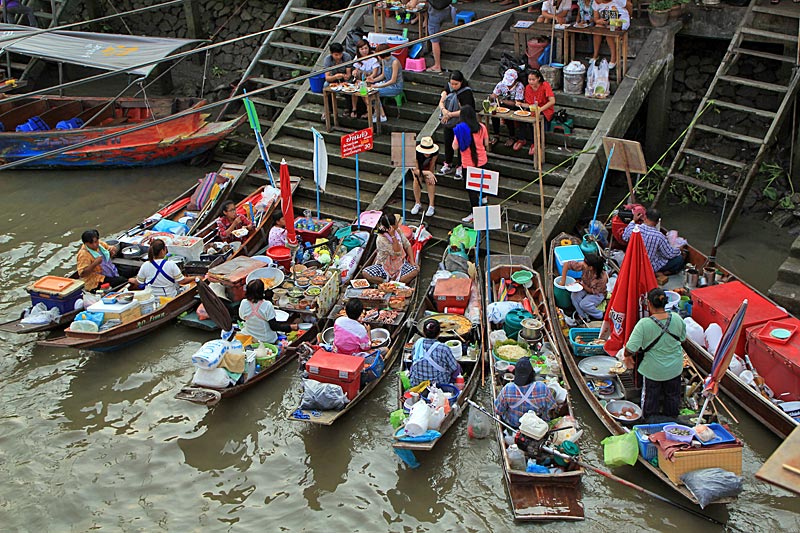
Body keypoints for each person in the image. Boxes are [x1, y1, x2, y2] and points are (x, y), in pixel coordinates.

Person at [624, 288, 688, 420]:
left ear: (648, 303)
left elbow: (630, 348)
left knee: (650, 401)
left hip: (653, 371)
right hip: (674, 369)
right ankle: (671, 422)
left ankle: (650, 423)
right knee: (672, 397)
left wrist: (627, 356)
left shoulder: (644, 324)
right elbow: (682, 339)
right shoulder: (677, 318)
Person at [494, 357, 557, 428]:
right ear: (532, 374)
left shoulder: (508, 388)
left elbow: (498, 410)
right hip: (534, 427)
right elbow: (551, 407)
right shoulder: (542, 387)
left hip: (512, 424)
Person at [452, 105, 489, 223]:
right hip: (482, 161)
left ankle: (475, 212)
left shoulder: (460, 129)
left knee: (471, 189)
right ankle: (484, 201)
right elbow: (486, 143)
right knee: (483, 185)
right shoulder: (482, 127)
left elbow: (454, 147)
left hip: (468, 164)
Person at [622, 208, 686, 275]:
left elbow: (624, 237)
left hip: (632, 264)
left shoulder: (634, 228)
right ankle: (660, 273)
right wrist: (679, 249)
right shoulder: (659, 236)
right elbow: (669, 254)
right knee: (679, 259)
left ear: (645, 217)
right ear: (658, 222)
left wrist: (633, 220)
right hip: (648, 267)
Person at [363, 213, 419, 283]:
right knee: (366, 273)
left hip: (400, 264)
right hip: (384, 266)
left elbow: (407, 245)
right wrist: (393, 236)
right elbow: (397, 251)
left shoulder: (397, 231)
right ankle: (387, 282)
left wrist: (412, 261)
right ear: (391, 227)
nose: (398, 224)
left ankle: (395, 281)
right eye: (396, 222)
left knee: (415, 270)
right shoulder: (381, 239)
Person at [438, 70, 475, 176]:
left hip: (461, 122)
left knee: (460, 145)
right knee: (448, 142)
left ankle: (460, 166)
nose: (453, 86)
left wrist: (450, 114)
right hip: (449, 121)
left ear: (461, 82)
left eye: (456, 84)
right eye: (452, 83)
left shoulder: (466, 93)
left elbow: (467, 109)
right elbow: (441, 101)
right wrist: (445, 111)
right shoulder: (448, 88)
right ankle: (448, 163)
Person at [128, 239, 193, 298]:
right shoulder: (171, 264)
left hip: (152, 297)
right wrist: (195, 278)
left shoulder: (145, 265)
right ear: (162, 251)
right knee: (188, 287)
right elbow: (182, 281)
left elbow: (139, 282)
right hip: (169, 296)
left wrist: (132, 280)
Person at [239, 279, 298, 344]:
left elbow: (242, 317)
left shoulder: (243, 303)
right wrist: (290, 327)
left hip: (250, 337)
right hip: (266, 340)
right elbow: (274, 326)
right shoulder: (267, 305)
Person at [409, 319, 460, 387]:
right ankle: (451, 383)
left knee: (413, 366)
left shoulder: (417, 343)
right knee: (458, 366)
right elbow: (453, 368)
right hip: (439, 384)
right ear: (439, 333)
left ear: (424, 332)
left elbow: (413, 359)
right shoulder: (444, 348)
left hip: (417, 383)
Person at [560, 253, 608, 321]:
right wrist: (563, 281)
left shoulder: (602, 278)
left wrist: (582, 285)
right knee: (574, 296)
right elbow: (566, 264)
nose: (582, 263)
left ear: (591, 267)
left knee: (584, 304)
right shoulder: (584, 265)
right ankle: (583, 316)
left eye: (585, 263)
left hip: (597, 293)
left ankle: (598, 315)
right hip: (585, 286)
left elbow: (593, 291)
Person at [489, 69, 525, 149]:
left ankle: (512, 136)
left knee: (509, 116)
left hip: (516, 106)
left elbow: (517, 103)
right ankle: (496, 134)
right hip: (503, 105)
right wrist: (492, 97)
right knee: (494, 114)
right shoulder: (501, 84)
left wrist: (502, 101)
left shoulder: (519, 86)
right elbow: (494, 94)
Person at [523, 69, 556, 156]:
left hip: (545, 109)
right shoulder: (527, 88)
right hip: (533, 109)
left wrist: (540, 109)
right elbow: (529, 103)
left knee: (539, 120)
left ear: (538, 79)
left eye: (533, 80)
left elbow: (552, 101)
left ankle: (539, 143)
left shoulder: (545, 85)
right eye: (529, 80)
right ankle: (531, 141)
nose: (531, 82)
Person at [591, 0, 631, 69]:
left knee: (611, 30)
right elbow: (596, 18)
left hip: (621, 20)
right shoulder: (595, 2)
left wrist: (629, 17)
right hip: (608, 21)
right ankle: (595, 55)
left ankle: (613, 58)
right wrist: (599, 21)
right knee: (597, 27)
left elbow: (629, 5)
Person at [370, 44, 404, 123]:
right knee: (370, 90)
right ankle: (377, 112)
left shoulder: (394, 62)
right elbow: (383, 75)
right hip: (386, 83)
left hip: (395, 86)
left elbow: (393, 80)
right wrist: (373, 80)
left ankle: (382, 115)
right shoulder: (384, 60)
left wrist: (379, 86)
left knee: (374, 93)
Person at [351, 39, 380, 119]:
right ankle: (354, 109)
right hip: (361, 79)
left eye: (366, 48)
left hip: (372, 79)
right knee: (354, 89)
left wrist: (368, 79)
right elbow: (356, 69)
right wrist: (355, 72)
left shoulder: (373, 58)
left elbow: (375, 73)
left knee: (363, 90)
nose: (364, 51)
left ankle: (369, 110)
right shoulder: (357, 58)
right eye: (362, 49)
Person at [410, 136, 438, 218]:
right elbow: (416, 170)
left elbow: (432, 164)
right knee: (417, 179)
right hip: (417, 167)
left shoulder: (435, 153)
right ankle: (417, 202)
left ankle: (431, 205)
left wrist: (430, 174)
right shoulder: (414, 153)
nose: (427, 153)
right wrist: (427, 172)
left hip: (427, 166)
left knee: (430, 180)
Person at [426, 0, 453, 73]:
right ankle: (434, 53)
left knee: (434, 40)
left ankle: (437, 65)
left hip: (435, 13)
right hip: (447, 9)